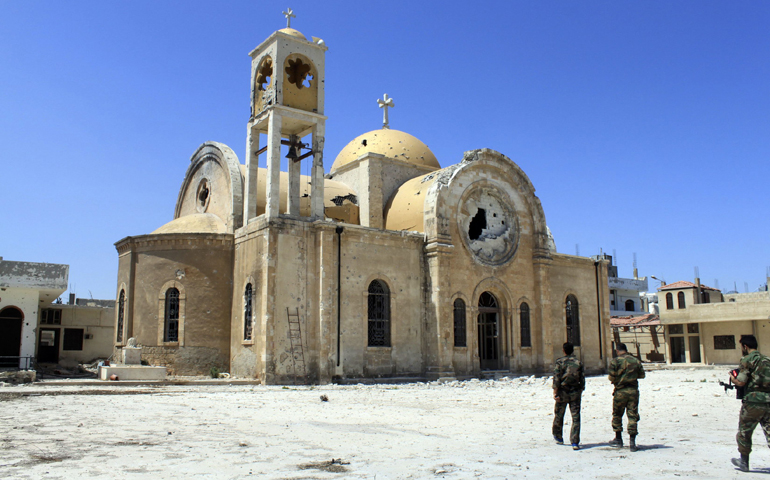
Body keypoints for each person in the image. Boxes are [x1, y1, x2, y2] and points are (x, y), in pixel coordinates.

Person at [729, 334, 770, 472]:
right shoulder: (767, 360)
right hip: (768, 401)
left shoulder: (747, 360)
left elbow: (741, 381)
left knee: (744, 432)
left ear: (745, 347)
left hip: (752, 402)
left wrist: (732, 378)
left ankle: (744, 462)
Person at [608, 342, 645, 452]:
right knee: (632, 415)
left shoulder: (615, 361)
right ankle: (632, 442)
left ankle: (618, 439)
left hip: (620, 391)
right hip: (633, 391)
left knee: (617, 414)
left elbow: (611, 377)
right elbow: (642, 375)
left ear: (617, 350)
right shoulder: (635, 360)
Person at [552, 342, 585, 450]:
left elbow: (557, 378)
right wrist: (580, 390)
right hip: (575, 392)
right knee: (576, 417)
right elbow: (582, 379)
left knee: (559, 414)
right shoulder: (578, 362)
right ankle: (575, 442)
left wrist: (555, 392)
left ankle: (558, 436)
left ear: (563, 350)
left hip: (563, 392)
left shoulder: (560, 362)